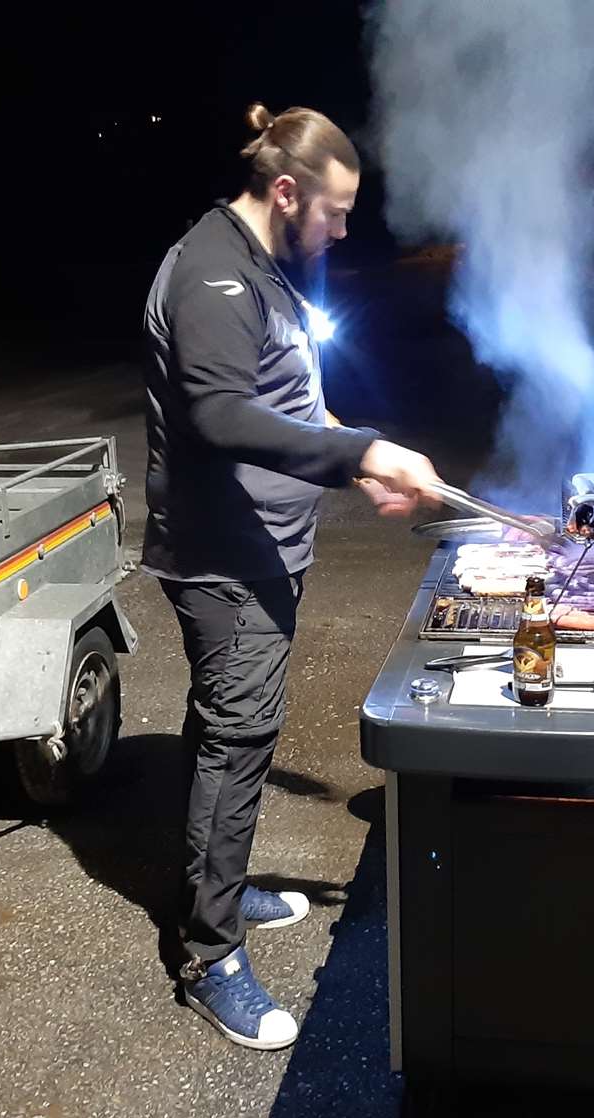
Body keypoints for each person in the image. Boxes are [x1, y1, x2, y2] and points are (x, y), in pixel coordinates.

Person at [142, 102, 442, 1050]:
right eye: (335, 212)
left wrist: (359, 464)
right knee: (237, 742)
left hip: (264, 543)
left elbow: (287, 399)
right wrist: (365, 452)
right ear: (286, 191)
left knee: (229, 732)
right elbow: (222, 417)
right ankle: (208, 955)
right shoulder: (212, 274)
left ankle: (219, 887)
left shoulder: (261, 264)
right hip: (223, 555)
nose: (343, 230)